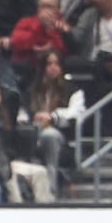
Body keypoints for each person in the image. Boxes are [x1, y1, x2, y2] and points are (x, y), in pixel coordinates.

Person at [22, 49, 85, 198]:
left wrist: (53, 117)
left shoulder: (73, 90)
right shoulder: (32, 90)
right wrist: (29, 119)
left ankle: (51, 191)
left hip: (60, 136)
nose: (53, 67)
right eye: (49, 63)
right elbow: (22, 111)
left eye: (56, 64)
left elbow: (77, 112)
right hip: (33, 132)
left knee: (49, 136)